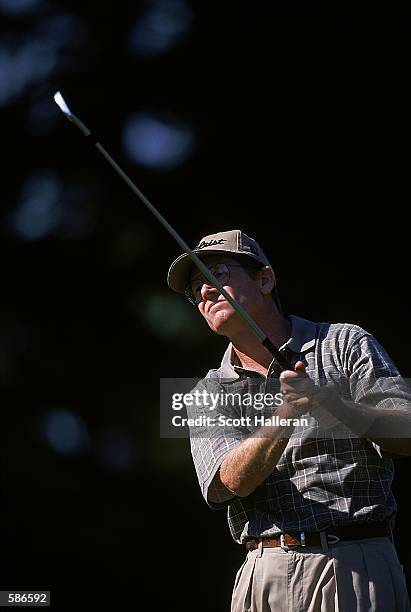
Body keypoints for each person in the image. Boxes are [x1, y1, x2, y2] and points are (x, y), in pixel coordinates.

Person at [167, 229, 411, 612]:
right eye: (195, 288)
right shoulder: (205, 391)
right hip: (265, 572)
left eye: (218, 275)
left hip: (357, 561)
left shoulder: (345, 342)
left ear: (264, 279)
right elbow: (228, 481)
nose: (204, 292)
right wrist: (287, 414)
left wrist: (337, 405)